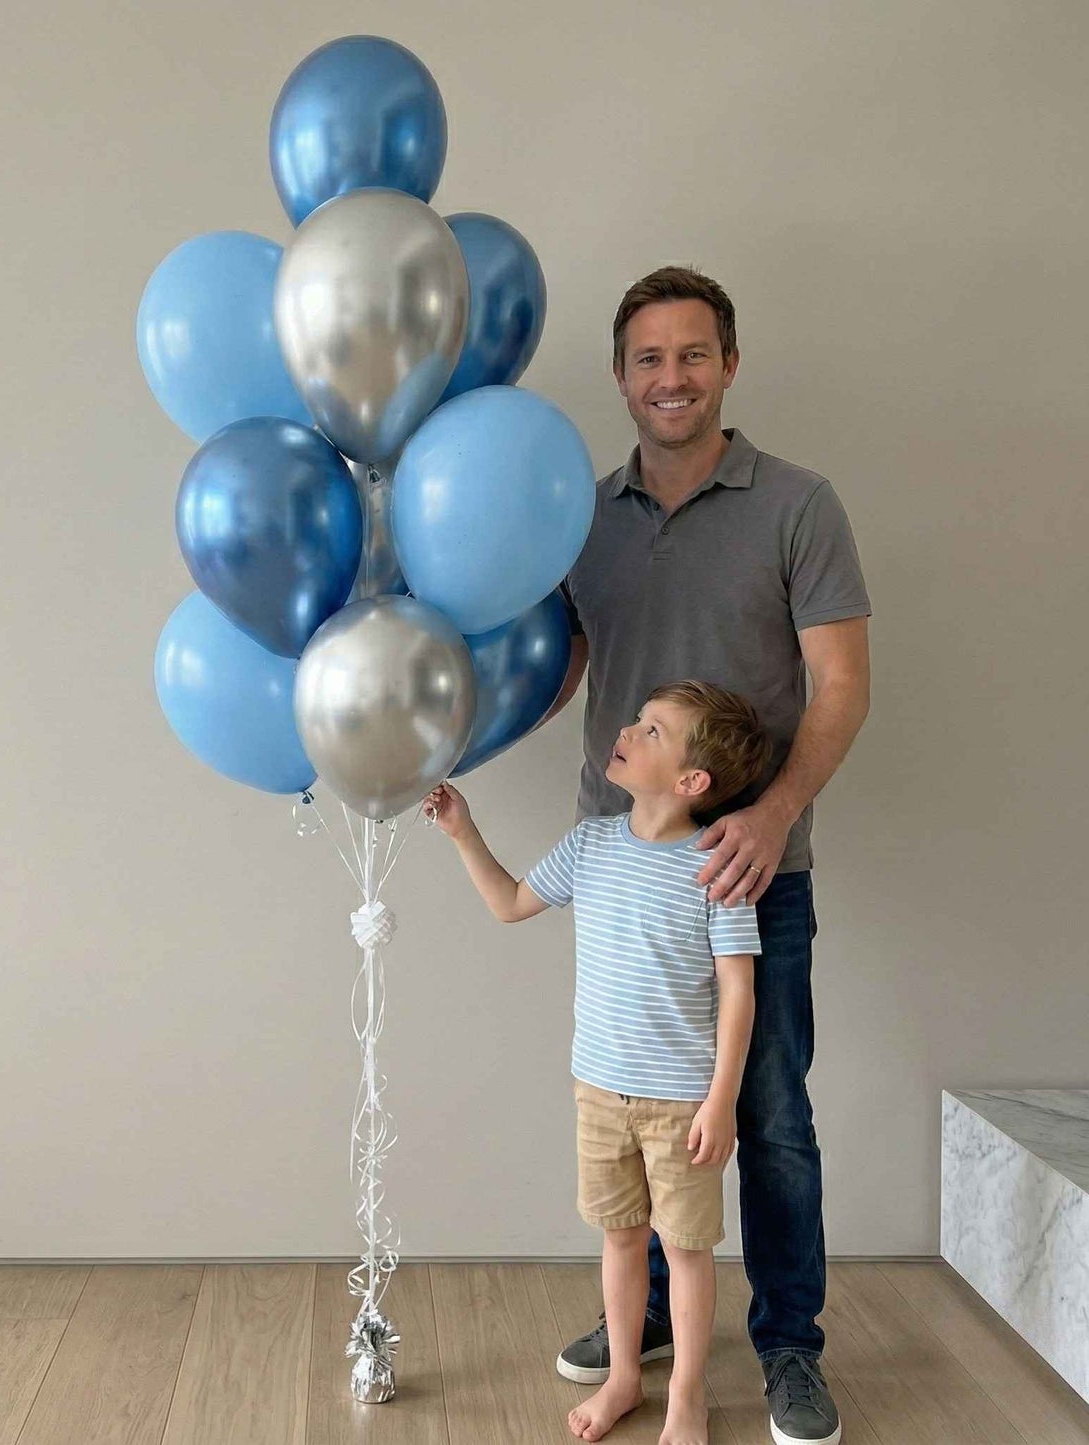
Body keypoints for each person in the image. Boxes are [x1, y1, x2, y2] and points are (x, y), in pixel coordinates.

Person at [545, 265, 871, 1445]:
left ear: (727, 363)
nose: (668, 377)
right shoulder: (573, 516)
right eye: (646, 358)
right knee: (631, 1111)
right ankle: (648, 1333)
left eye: (690, 354)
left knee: (768, 1113)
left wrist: (775, 810)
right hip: (623, 877)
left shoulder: (797, 503)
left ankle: (788, 1345)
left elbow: (841, 681)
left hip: (750, 876)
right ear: (620, 376)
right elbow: (557, 673)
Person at [426, 680, 773, 1445]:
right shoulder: (590, 843)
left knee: (684, 1251)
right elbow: (511, 903)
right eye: (638, 720)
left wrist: (721, 1101)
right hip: (598, 1092)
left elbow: (739, 990)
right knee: (620, 1237)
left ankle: (686, 1394)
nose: (627, 728)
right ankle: (623, 1376)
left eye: (652, 729)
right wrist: (462, 831)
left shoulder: (718, 863)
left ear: (691, 782)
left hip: (682, 1102)